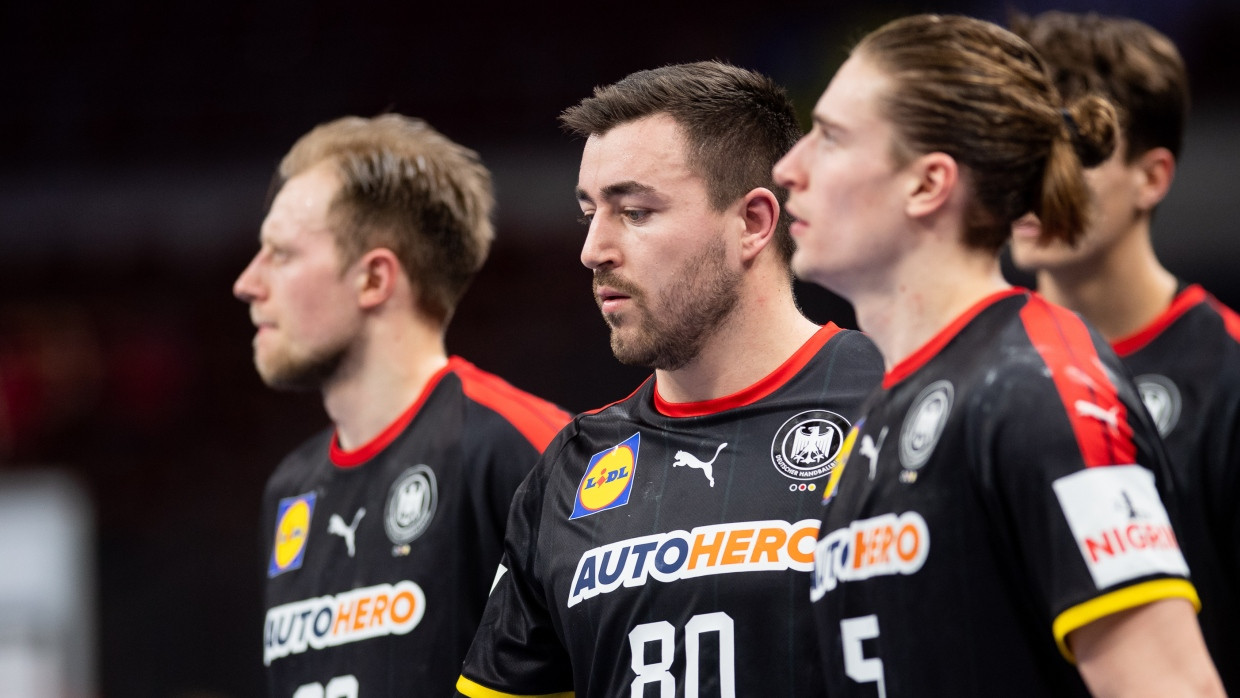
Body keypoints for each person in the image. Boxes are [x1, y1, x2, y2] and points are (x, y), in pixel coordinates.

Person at [773, 13, 1224, 697]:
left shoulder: (1043, 387)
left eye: (830, 137)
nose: (789, 168)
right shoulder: (882, 410)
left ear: (928, 184)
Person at [455, 61, 884, 697]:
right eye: (589, 213)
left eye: (634, 211)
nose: (592, 250)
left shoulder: (896, 401)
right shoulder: (571, 467)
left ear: (753, 222)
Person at [233, 114, 571, 697]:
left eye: (281, 254)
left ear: (374, 279)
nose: (247, 282)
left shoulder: (530, 450)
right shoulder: (289, 488)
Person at [1007, 12, 1240, 691]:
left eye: (1075, 153)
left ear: (1153, 177)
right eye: (1021, 149)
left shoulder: (1227, 370)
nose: (1034, 183)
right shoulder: (974, 374)